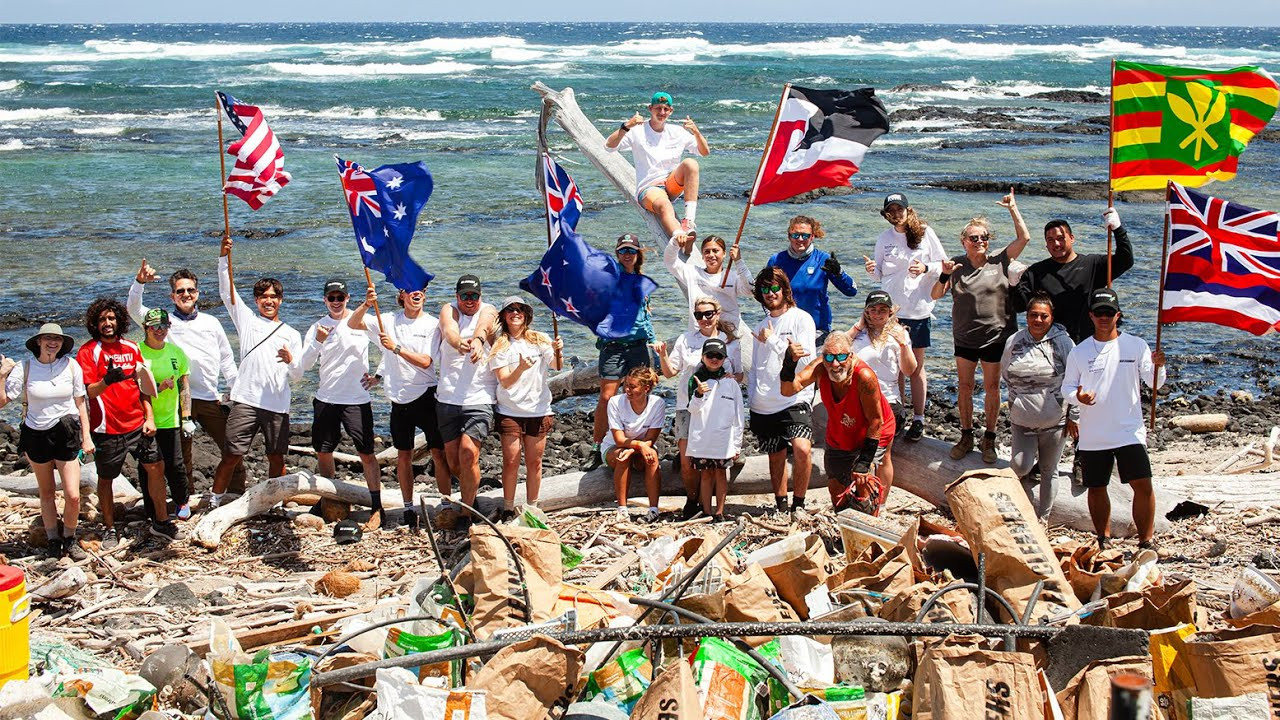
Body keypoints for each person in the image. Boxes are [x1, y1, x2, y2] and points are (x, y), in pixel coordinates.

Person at [128, 260, 244, 496]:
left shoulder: (211, 322)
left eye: (190, 290)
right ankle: (186, 500)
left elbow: (226, 360)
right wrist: (139, 282)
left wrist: (238, 392)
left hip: (212, 398)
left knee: (232, 450)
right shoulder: (163, 323)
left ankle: (237, 494)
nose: (186, 294)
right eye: (180, 291)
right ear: (172, 296)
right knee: (183, 457)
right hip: (178, 402)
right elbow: (133, 309)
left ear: (197, 293)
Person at [931, 189, 1031, 463]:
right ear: (964, 241)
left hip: (997, 337)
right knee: (964, 387)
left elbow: (1025, 238)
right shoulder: (957, 265)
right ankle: (966, 435)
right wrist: (944, 274)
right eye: (973, 238)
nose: (979, 241)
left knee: (992, 388)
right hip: (965, 338)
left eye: (983, 237)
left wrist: (1013, 208)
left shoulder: (1000, 260)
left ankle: (989, 438)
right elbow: (936, 295)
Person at [1062, 288, 1165, 550]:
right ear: (1091, 316)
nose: (1104, 317)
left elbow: (1155, 383)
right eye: (1099, 313)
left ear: (1118, 315)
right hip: (1094, 433)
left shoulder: (1136, 345)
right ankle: (1103, 539)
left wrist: (1159, 366)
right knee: (1096, 487)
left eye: (1109, 312)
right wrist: (1078, 396)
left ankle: (1146, 541)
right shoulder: (1080, 351)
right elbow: (1066, 388)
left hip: (1129, 430)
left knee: (1142, 485)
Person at [349, 282, 450, 530]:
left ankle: (447, 505)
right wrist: (366, 303)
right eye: (410, 290)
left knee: (438, 453)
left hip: (427, 396)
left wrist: (395, 347)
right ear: (402, 295)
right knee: (403, 456)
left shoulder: (432, 324)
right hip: (398, 400)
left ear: (425, 296)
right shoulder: (388, 320)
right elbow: (353, 323)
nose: (416, 294)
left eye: (420, 291)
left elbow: (426, 362)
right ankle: (407, 507)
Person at [212, 235, 304, 507]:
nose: (269, 301)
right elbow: (226, 292)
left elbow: (297, 376)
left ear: (281, 301)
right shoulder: (247, 322)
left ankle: (274, 503)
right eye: (263, 297)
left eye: (274, 297)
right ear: (256, 300)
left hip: (276, 404)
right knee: (231, 454)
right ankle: (214, 501)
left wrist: (290, 360)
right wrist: (223, 257)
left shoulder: (291, 333)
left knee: (276, 456)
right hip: (246, 400)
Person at [77, 297, 176, 548]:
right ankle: (110, 527)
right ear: (95, 324)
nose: (107, 323)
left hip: (137, 424)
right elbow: (88, 393)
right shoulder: (88, 352)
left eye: (111, 318)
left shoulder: (131, 348)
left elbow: (143, 386)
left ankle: (161, 522)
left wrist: (150, 416)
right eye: (102, 319)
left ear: (119, 320)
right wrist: (107, 380)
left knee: (156, 468)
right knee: (106, 478)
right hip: (106, 428)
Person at [0, 324, 92, 560]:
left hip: (66, 432)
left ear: (63, 343)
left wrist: (87, 437)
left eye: (57, 339)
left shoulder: (71, 365)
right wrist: (1, 375)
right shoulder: (26, 367)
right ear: (38, 342)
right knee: (47, 493)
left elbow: (81, 404)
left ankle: (70, 538)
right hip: (36, 434)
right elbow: (3, 400)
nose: (53, 342)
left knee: (72, 495)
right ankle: (52, 539)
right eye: (48, 338)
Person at [298, 280, 384, 529]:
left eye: (340, 297)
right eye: (331, 298)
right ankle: (328, 498)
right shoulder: (318, 326)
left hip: (357, 400)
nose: (336, 302)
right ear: (324, 300)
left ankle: (377, 506)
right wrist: (318, 341)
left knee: (367, 453)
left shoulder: (362, 323)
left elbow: (388, 348)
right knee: (324, 450)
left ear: (348, 298)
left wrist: (379, 376)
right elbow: (304, 365)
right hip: (326, 398)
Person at [863, 193, 948, 441]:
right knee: (896, 367)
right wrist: (871, 271)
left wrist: (925, 268)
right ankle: (899, 415)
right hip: (892, 314)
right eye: (891, 210)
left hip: (918, 310)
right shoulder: (884, 239)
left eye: (900, 209)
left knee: (916, 367)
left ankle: (919, 418)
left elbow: (943, 264)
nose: (896, 213)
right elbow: (879, 275)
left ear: (909, 210)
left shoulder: (924, 232)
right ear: (886, 214)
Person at [781, 331, 896, 515]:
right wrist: (789, 361)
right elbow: (787, 390)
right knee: (835, 486)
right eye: (829, 357)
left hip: (872, 430)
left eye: (841, 357)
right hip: (840, 429)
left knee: (863, 485)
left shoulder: (864, 377)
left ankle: (874, 513)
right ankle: (843, 518)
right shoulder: (820, 368)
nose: (835, 364)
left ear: (851, 356)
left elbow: (876, 421)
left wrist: (864, 462)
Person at [653, 296, 742, 520]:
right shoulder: (685, 339)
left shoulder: (730, 341)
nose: (704, 319)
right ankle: (692, 501)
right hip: (687, 405)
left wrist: (732, 376)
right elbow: (670, 372)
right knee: (687, 462)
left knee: (718, 463)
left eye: (708, 314)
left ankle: (712, 509)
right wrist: (662, 355)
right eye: (699, 315)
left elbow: (739, 375)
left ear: (717, 314)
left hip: (718, 409)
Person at [1001, 293, 1077, 519]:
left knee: (1048, 470)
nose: (1038, 320)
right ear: (1027, 316)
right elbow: (1004, 372)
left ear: (1051, 318)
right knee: (1020, 466)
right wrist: (1017, 400)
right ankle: (1015, 508)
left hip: (1055, 421)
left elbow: (1076, 379)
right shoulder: (1014, 340)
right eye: (1033, 315)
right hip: (1021, 420)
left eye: (1044, 316)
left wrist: (1075, 415)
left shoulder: (1063, 342)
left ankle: (1042, 518)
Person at [748, 267, 818, 514]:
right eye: (765, 289)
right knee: (775, 455)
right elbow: (756, 367)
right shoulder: (760, 325)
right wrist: (752, 398)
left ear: (785, 289)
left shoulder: (801, 318)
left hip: (794, 396)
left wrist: (773, 340)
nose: (770, 293)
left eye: (775, 287)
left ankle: (799, 503)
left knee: (802, 448)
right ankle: (781, 504)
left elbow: (805, 362)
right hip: (763, 401)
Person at [488, 296, 563, 521]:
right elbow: (505, 381)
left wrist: (559, 350)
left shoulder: (540, 339)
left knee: (534, 462)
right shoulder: (499, 345)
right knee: (510, 460)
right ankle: (508, 507)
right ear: (504, 316)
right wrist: (520, 368)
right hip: (509, 411)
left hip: (539, 410)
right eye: (510, 309)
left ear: (527, 314)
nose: (515, 313)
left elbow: (557, 366)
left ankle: (532, 507)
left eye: (520, 309)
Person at [588, 234, 657, 470]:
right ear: (617, 254)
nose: (627, 255)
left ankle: (642, 442)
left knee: (641, 394)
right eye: (623, 251)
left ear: (638, 254)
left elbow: (645, 315)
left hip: (638, 346)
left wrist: (653, 341)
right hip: (614, 347)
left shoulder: (641, 280)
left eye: (631, 251)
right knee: (607, 397)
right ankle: (598, 447)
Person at [1015, 207, 1133, 344]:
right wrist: (1013, 283)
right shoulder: (1035, 271)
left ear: (1072, 238)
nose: (1056, 244)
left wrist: (1118, 229)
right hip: (1051, 346)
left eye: (1060, 238)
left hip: (1088, 343)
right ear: (1046, 244)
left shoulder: (1093, 264)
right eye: (1050, 240)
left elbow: (1126, 260)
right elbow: (1019, 306)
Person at [604, 90, 709, 241]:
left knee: (691, 164)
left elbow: (704, 152)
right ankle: (680, 236)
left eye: (666, 109)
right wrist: (626, 126)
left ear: (671, 111)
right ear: (650, 109)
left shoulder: (677, 131)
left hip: (671, 184)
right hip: (649, 188)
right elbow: (608, 146)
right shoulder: (637, 131)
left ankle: (688, 221)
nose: (662, 112)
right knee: (665, 206)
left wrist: (696, 132)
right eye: (658, 108)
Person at [436, 274, 499, 515]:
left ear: (480, 296)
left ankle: (467, 511)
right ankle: (470, 494)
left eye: (474, 296)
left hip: (479, 398)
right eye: (465, 296)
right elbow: (449, 329)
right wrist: (457, 343)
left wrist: (479, 341)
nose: (470, 301)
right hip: (448, 398)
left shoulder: (489, 309)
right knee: (453, 462)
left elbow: (485, 323)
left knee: (469, 452)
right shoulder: (449, 310)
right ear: (457, 296)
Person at [850, 290, 916, 492]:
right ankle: (863, 494)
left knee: (883, 454)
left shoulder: (899, 334)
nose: (878, 314)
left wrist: (903, 345)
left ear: (890, 312)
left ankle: (882, 500)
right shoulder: (858, 334)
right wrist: (857, 327)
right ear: (867, 312)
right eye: (873, 310)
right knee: (859, 452)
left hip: (888, 400)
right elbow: (836, 350)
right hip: (859, 399)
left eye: (883, 310)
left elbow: (910, 369)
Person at [138, 309, 196, 522]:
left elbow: (184, 387)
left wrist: (187, 417)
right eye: (155, 326)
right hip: (145, 421)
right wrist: (159, 389)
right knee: (148, 467)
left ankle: (182, 501)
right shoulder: (138, 352)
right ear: (146, 328)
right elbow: (134, 390)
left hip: (170, 420)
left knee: (176, 465)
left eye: (164, 326)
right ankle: (152, 509)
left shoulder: (176, 352)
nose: (160, 330)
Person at [766, 215, 858, 342]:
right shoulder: (776, 260)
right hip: (785, 328)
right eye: (795, 235)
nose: (800, 239)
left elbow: (851, 291)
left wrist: (839, 273)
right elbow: (764, 294)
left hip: (817, 331)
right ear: (789, 236)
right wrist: (771, 319)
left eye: (805, 235)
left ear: (812, 236)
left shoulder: (823, 259)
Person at [685, 338, 743, 521]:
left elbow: (739, 415)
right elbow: (692, 409)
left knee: (720, 475)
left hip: (723, 440)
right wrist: (698, 394)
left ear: (725, 358)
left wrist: (737, 444)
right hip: (702, 439)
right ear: (703, 357)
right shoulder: (695, 381)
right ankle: (707, 512)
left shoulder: (731, 383)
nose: (714, 359)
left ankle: (720, 512)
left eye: (719, 356)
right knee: (706, 475)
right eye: (710, 355)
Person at [603, 366, 666, 522]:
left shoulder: (657, 403)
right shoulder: (615, 402)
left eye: (632, 386)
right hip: (615, 447)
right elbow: (619, 439)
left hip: (643, 445)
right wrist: (637, 447)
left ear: (646, 388)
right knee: (623, 457)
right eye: (626, 385)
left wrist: (640, 447)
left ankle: (653, 509)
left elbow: (652, 437)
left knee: (652, 459)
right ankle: (622, 509)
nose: (627, 390)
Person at [662, 233, 754, 332]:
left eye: (715, 251)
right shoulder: (693, 273)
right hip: (699, 333)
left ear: (724, 254)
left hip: (728, 334)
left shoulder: (733, 277)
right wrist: (674, 243)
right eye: (707, 252)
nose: (711, 255)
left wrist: (738, 261)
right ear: (702, 256)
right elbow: (670, 263)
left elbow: (751, 290)